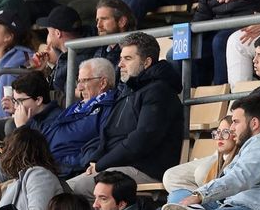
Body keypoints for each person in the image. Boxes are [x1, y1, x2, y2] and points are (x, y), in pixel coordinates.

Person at [71, 33, 182, 195]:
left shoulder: (159, 91)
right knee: (62, 189)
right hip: (119, 165)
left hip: (146, 169)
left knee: (81, 188)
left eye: (128, 59)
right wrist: (95, 161)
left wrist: (101, 165)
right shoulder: (129, 90)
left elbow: (141, 140)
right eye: (121, 58)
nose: (120, 64)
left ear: (147, 62)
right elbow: (109, 135)